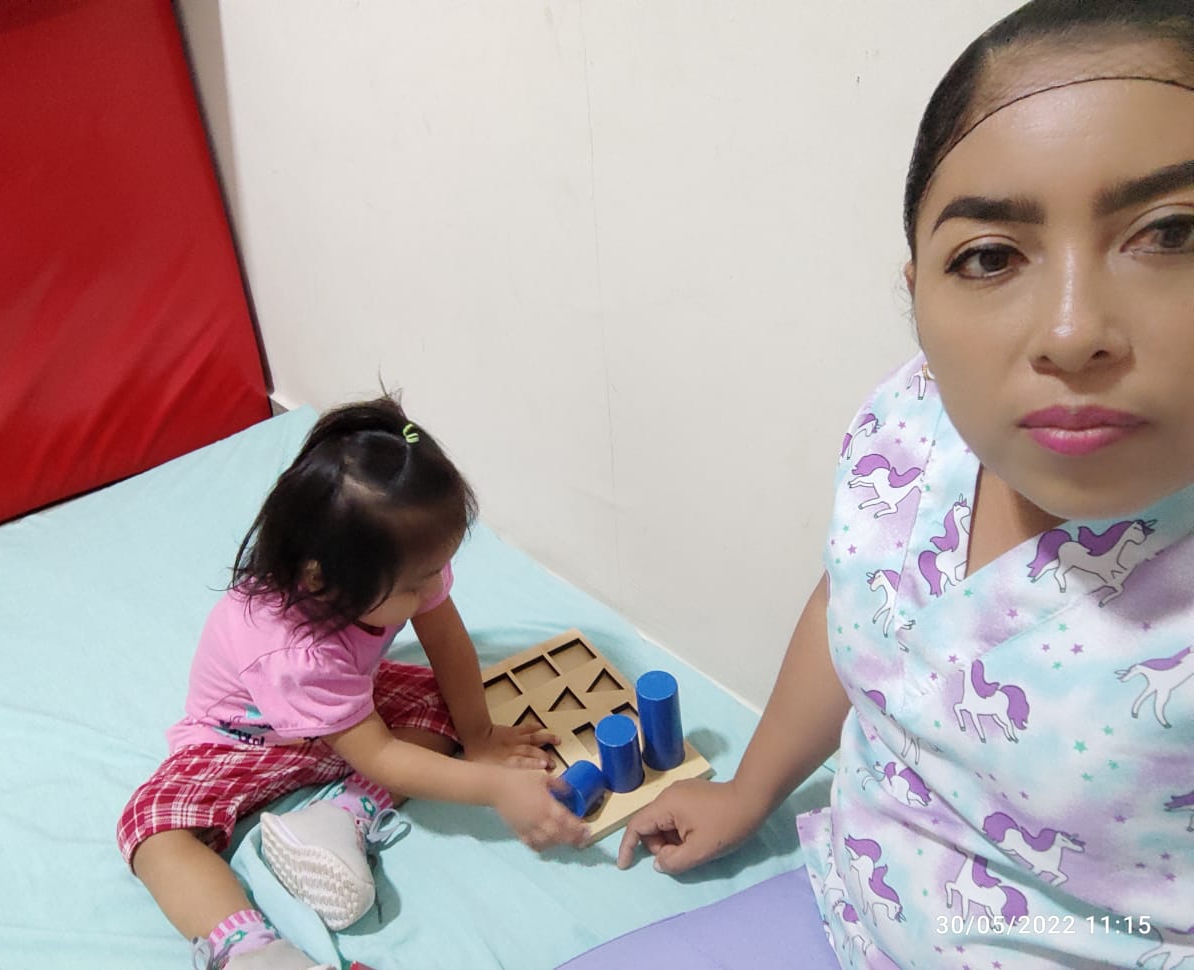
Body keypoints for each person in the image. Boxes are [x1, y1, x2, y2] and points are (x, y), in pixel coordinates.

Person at [616, 2, 1194, 967]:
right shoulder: (913, 423)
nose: (1071, 331)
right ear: (918, 292)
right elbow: (858, 601)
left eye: (1172, 233)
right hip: (849, 899)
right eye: (990, 255)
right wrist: (750, 791)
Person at [117, 397, 588, 970]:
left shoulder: (398, 567)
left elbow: (445, 640)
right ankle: (252, 951)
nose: (431, 590)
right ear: (321, 580)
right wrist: (493, 786)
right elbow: (382, 754)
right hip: (243, 742)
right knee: (152, 827)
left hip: (342, 720)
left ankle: (339, 815)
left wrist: (480, 735)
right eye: (414, 585)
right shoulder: (293, 653)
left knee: (447, 698)